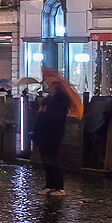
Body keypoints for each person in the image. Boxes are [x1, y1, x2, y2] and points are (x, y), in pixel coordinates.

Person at [34, 67, 80, 198]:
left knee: (52, 159)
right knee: (46, 159)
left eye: (51, 86)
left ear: (56, 87)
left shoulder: (60, 100)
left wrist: (44, 113)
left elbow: (56, 117)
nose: (49, 87)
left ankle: (59, 186)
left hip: (53, 133)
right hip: (44, 132)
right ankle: (49, 185)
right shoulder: (49, 99)